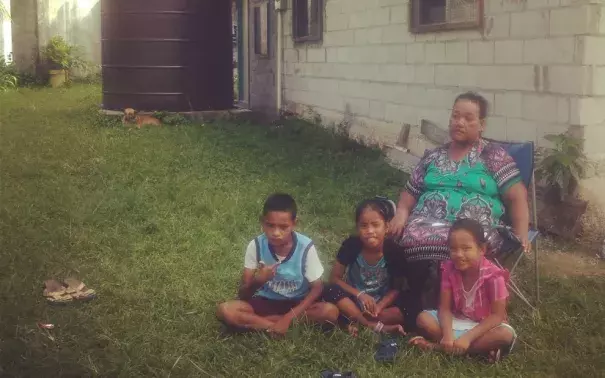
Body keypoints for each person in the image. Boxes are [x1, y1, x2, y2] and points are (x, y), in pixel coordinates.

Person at [388, 92, 530, 321]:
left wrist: (521, 234)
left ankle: (429, 308)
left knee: (455, 244)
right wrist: (401, 214)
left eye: (468, 118)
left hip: (474, 228)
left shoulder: (493, 156)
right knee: (405, 236)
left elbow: (517, 196)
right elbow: (409, 193)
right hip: (425, 221)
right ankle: (422, 304)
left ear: (481, 125)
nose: (459, 122)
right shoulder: (433, 157)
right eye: (455, 116)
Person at [216, 193, 338, 335]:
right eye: (270, 225)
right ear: (262, 221)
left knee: (329, 312)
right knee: (225, 310)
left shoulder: (305, 246)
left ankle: (264, 325)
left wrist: (288, 318)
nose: (276, 233)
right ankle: (277, 327)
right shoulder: (255, 245)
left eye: (283, 227)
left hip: (297, 304)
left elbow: (317, 288)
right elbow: (243, 294)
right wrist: (259, 281)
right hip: (265, 301)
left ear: (294, 224)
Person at [410, 219, 517, 363]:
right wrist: (447, 335)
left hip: (483, 326)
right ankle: (478, 351)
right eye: (453, 249)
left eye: (466, 248)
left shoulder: (494, 276)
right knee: (423, 319)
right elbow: (444, 308)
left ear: (482, 249)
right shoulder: (448, 269)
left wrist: (468, 337)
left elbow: (497, 316)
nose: (459, 254)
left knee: (505, 335)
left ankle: (435, 347)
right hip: (457, 320)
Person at [323, 197, 406, 335]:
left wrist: (379, 306)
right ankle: (370, 325)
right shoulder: (352, 245)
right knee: (330, 289)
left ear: (386, 227)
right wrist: (360, 294)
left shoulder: (394, 251)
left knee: (405, 310)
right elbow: (335, 278)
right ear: (357, 227)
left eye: (375, 225)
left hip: (380, 304)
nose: (370, 231)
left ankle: (352, 321)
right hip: (352, 300)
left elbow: (397, 289)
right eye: (364, 225)